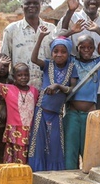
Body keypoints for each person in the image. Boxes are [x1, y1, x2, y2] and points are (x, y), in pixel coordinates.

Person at [59, 19, 100, 170]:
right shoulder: (71, 61)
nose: (86, 50)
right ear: (77, 48)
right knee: (70, 153)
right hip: (72, 115)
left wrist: (99, 31)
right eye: (82, 47)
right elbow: (59, 41)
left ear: (94, 48)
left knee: (89, 152)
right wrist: (72, 32)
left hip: (90, 116)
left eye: (90, 47)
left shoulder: (98, 63)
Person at [58, 0, 100, 110]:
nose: (93, 2)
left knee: (98, 122)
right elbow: (59, 38)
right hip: (75, 83)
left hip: (99, 85)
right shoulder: (72, 18)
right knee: (73, 123)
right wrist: (70, 10)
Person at [28, 30, 78, 172]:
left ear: (68, 53)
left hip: (56, 114)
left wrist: (58, 86)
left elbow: (72, 89)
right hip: (41, 112)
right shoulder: (48, 65)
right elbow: (33, 59)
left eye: (63, 52)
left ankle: (53, 174)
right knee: (38, 145)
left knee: (55, 145)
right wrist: (40, 38)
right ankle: (36, 173)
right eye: (55, 51)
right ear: (52, 52)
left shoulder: (71, 68)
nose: (59, 54)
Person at [1, 0, 56, 90]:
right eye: (28, 3)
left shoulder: (51, 29)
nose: (32, 6)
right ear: (22, 6)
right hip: (20, 90)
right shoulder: (11, 30)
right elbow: (4, 59)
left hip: (47, 89)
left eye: (35, 3)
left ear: (40, 6)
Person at [0, 58, 39, 164]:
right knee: (10, 161)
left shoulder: (34, 91)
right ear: (14, 77)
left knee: (25, 162)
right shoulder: (9, 89)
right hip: (13, 131)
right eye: (20, 75)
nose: (23, 78)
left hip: (28, 131)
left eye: (26, 75)